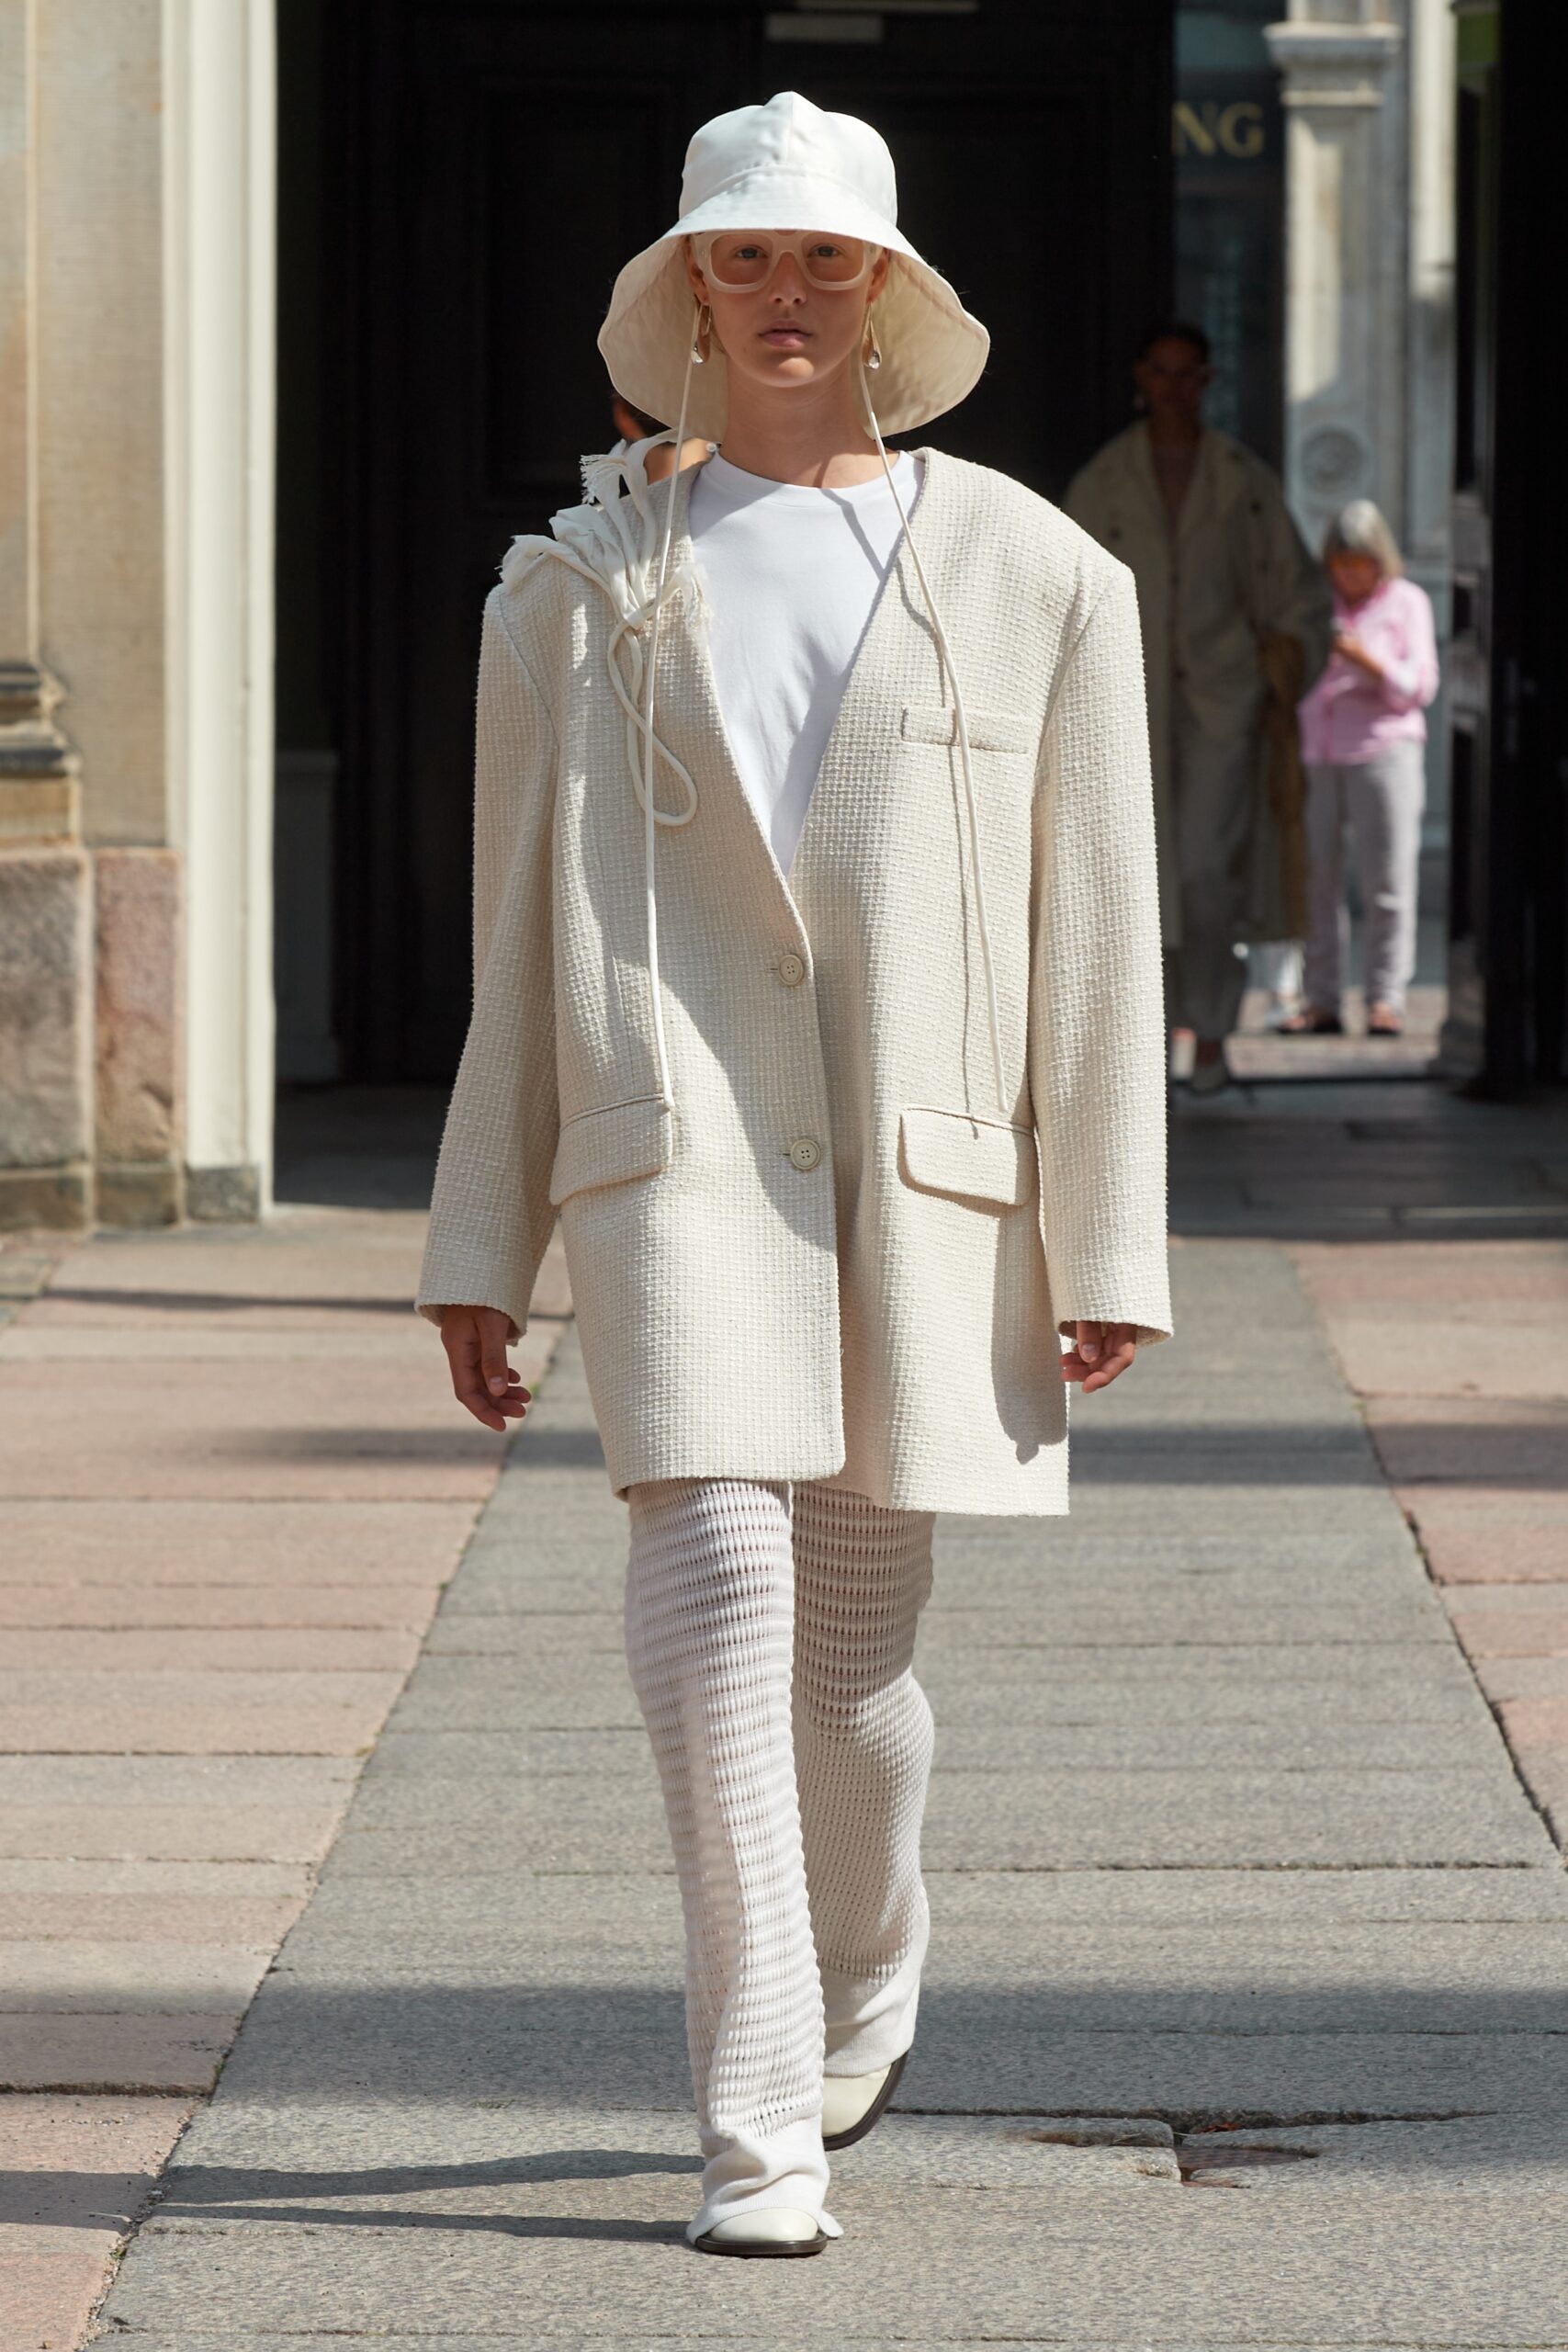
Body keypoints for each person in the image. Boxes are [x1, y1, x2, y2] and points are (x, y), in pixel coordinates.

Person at [414, 90, 1171, 2258]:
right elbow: (510, 929)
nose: (778, 295)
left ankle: (869, 1946)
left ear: (884, 292)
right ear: (678, 292)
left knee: (843, 1664)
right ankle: (750, 2119)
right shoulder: (570, 587)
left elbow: (1093, 927)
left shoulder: (1041, 574)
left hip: (925, 1187)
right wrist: (488, 1229)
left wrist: (1096, 1227)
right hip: (670, 1173)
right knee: (718, 1591)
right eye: (739, 259)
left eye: (819, 258)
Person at [1066, 324, 1332, 1092]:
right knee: (1132, 873)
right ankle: (1142, 1037)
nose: (1173, 388)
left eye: (1188, 374)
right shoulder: (1104, 480)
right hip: (1125, 700)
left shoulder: (1242, 483)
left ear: (1206, 380)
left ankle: (1211, 1031)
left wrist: (1270, 675)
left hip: (1220, 702)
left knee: (1208, 873)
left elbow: (1299, 597)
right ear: (1140, 376)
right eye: (1161, 372)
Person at [1282, 501, 1439, 1038]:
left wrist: (1364, 661)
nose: (1349, 575)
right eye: (1340, 565)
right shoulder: (1314, 605)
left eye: (1360, 564)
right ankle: (1322, 998)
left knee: (1388, 881)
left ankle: (1386, 997)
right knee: (1316, 883)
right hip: (1318, 753)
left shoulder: (1407, 603)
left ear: (1379, 561)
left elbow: (1419, 687)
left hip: (1383, 753)